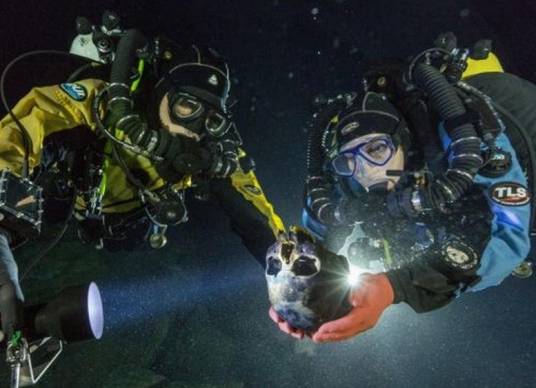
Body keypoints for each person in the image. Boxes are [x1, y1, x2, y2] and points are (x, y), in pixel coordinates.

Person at [0, 29, 284, 341]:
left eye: (210, 120)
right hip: (68, 192)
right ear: (162, 92)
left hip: (131, 220)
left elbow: (256, 209)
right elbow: (32, 119)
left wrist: (301, 270)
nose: (192, 130)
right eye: (186, 107)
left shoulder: (208, 150)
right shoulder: (99, 101)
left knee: (126, 243)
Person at [270, 34, 535, 342]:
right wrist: (292, 286)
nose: (366, 168)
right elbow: (315, 231)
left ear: (403, 142)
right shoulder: (353, 171)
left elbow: (509, 235)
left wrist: (396, 286)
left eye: (378, 150)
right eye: (349, 159)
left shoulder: (464, 140)